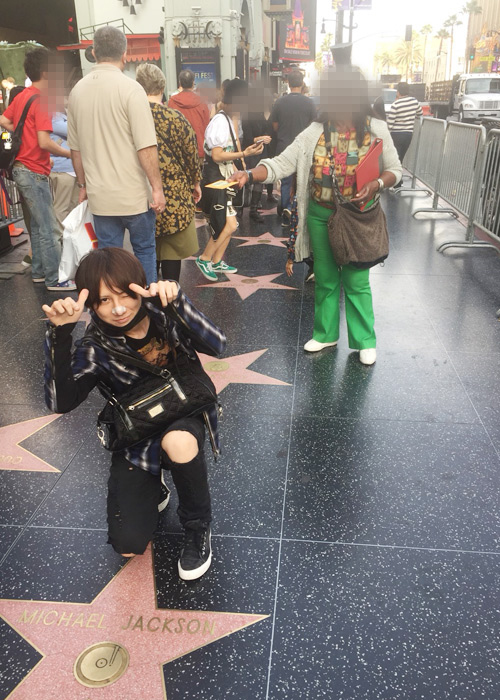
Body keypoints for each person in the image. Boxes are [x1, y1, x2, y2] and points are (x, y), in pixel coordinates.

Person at [42, 247, 226, 580]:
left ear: (139, 286)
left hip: (185, 412)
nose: (118, 308)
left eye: (125, 294)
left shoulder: (164, 313)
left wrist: (179, 302)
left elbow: (218, 345)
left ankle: (198, 528)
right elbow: (61, 403)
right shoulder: (95, 346)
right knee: (127, 544)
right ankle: (154, 483)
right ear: (91, 304)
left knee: (179, 441)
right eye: (103, 300)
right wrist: (59, 335)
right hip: (138, 433)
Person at [232, 68, 402, 366]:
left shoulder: (375, 128)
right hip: (321, 215)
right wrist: (249, 173)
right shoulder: (315, 131)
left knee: (356, 279)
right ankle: (325, 334)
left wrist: (376, 183)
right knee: (325, 277)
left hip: (357, 217)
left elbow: (395, 170)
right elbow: (282, 162)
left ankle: (365, 340)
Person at [67, 26, 166, 285]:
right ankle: (146, 302)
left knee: (108, 259)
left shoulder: (77, 91)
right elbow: (146, 147)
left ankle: (113, 303)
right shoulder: (131, 89)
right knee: (144, 251)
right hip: (135, 195)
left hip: (100, 197)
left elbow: (75, 149)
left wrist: (82, 185)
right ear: (125, 53)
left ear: (94, 52)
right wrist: (157, 188)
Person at [0, 48, 75, 291]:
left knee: (38, 225)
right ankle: (55, 279)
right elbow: (44, 142)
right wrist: (70, 153)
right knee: (50, 228)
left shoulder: (23, 96)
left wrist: (24, 135)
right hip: (33, 170)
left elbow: (4, 120)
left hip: (22, 168)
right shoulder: (42, 100)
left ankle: (40, 273)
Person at [136, 64, 201, 284]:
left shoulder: (132, 118)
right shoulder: (176, 118)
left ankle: (149, 294)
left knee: (146, 247)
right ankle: (171, 295)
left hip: (142, 192)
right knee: (172, 250)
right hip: (174, 195)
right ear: (162, 88)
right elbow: (192, 155)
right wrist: (195, 183)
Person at [196, 78, 264, 282]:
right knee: (227, 224)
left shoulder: (225, 118)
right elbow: (217, 155)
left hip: (222, 178)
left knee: (230, 223)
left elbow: (224, 154)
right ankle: (205, 258)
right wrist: (243, 154)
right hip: (216, 180)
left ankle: (217, 260)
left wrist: (238, 170)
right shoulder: (220, 121)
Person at [270, 69, 316, 225]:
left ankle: (286, 211)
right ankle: (300, 213)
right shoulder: (309, 103)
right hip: (303, 148)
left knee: (286, 181)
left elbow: (274, 126)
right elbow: (314, 127)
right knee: (302, 181)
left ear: (288, 83)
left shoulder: (279, 102)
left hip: (284, 146)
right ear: (302, 83)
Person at [241, 84, 273, 222]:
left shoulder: (262, 113)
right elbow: (248, 138)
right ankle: (241, 207)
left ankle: (253, 209)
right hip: (250, 150)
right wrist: (261, 139)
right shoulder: (247, 114)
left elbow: (268, 129)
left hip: (261, 150)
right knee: (247, 178)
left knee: (260, 179)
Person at [167, 69, 210, 164]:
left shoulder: (172, 102)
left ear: (180, 83)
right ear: (193, 83)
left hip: (178, 150)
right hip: (198, 149)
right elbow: (207, 126)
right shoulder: (202, 102)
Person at [386, 82, 422, 188]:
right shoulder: (414, 102)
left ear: (398, 92)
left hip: (396, 135)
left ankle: (396, 182)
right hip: (408, 134)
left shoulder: (396, 105)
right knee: (400, 158)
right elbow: (420, 113)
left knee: (395, 159)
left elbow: (390, 124)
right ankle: (398, 180)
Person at [50, 111, 79, 234]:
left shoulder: (65, 114)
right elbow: (75, 131)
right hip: (61, 169)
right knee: (62, 208)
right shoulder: (52, 115)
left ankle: (70, 238)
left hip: (73, 168)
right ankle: (61, 239)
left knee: (74, 207)